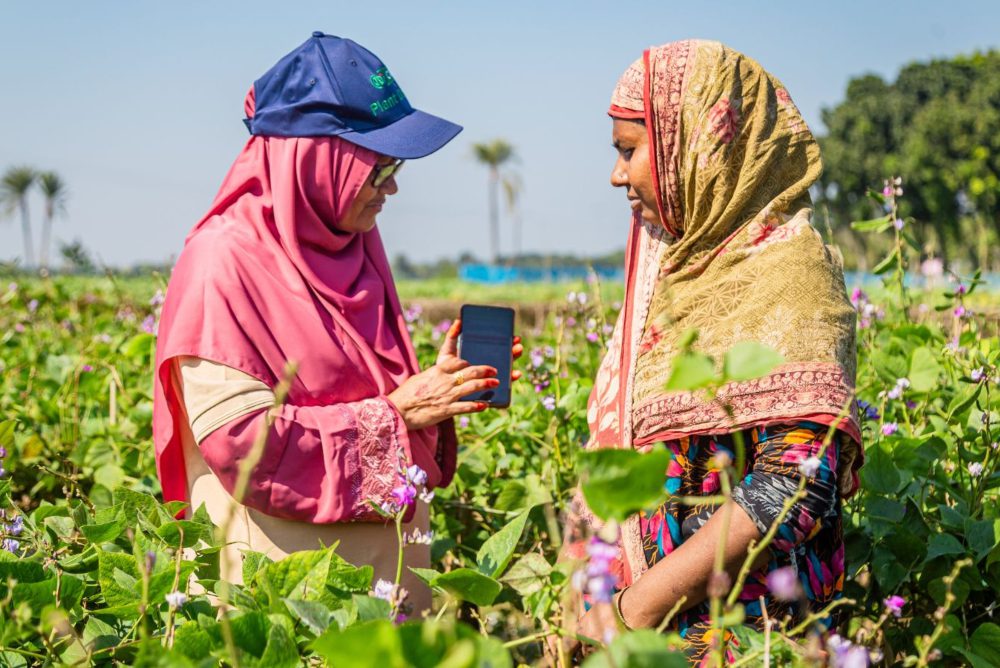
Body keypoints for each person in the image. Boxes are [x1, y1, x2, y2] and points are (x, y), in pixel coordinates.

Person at [152, 32, 520, 614]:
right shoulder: (222, 261)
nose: (392, 187)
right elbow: (241, 442)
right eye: (379, 167)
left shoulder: (354, 250)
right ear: (314, 160)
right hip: (283, 607)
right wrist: (399, 414)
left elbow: (373, 400)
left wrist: (436, 392)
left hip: (381, 594)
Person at [568, 40, 863, 664]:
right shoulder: (673, 272)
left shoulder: (790, 274)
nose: (617, 176)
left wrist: (637, 607)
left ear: (694, 150)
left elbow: (795, 487)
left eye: (628, 152)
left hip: (749, 637)